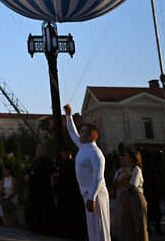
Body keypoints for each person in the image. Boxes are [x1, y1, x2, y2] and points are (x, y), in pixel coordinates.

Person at [64, 103, 110, 241]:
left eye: (83, 131)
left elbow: (99, 177)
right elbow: (72, 132)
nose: (80, 133)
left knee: (101, 227)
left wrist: (92, 197)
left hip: (96, 195)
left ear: (91, 136)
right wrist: (68, 116)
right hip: (87, 194)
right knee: (93, 229)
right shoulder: (83, 147)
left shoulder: (96, 153)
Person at [116, 150, 147, 241]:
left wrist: (124, 180)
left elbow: (132, 185)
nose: (123, 158)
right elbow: (117, 182)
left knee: (140, 225)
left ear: (131, 158)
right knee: (128, 225)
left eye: (125, 156)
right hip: (127, 196)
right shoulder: (125, 170)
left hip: (136, 196)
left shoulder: (136, 169)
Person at [26, 143, 56, 234]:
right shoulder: (35, 161)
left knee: (43, 210)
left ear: (44, 151)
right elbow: (29, 170)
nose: (38, 152)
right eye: (37, 150)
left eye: (40, 150)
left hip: (43, 190)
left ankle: (44, 228)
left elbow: (44, 174)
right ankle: (34, 226)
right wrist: (27, 175)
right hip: (34, 190)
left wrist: (31, 177)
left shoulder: (48, 161)